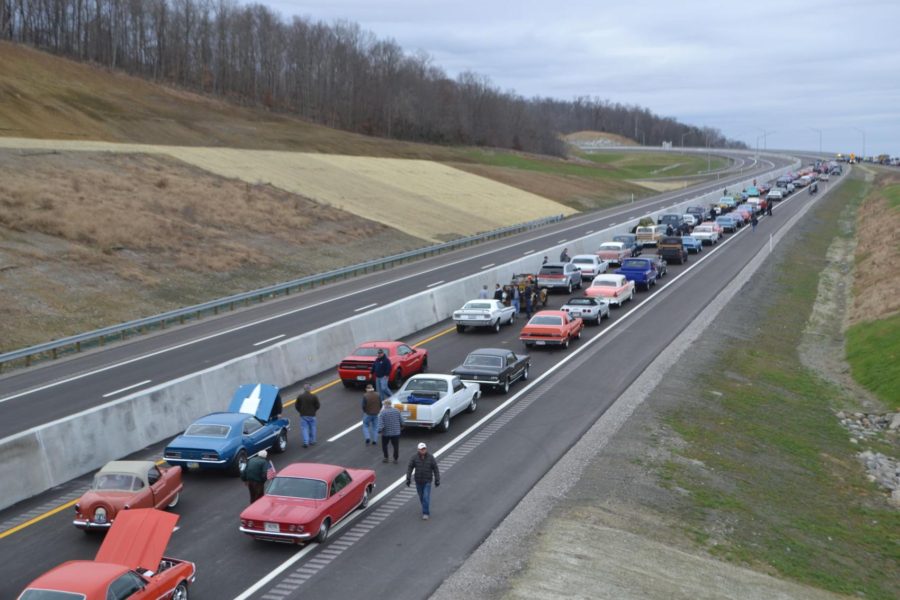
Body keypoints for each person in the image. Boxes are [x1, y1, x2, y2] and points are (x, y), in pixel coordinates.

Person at [406, 442, 440, 520]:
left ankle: (425, 513)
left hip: (427, 481)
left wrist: (437, 479)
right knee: (421, 497)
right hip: (418, 481)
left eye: (424, 449)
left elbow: (435, 468)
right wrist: (408, 479)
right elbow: (410, 468)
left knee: (425, 497)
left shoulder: (431, 458)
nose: (423, 450)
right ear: (418, 450)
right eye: (421, 449)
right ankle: (425, 506)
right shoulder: (414, 458)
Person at [378, 399, 403, 463]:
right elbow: (402, 421)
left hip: (386, 433)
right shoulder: (397, 411)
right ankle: (395, 459)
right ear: (390, 404)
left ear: (385, 405)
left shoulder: (382, 413)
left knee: (384, 445)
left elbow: (381, 424)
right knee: (395, 446)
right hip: (396, 432)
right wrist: (401, 426)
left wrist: (379, 430)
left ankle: (386, 457)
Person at [295, 382, 320, 447]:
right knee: (313, 428)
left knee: (304, 429)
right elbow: (318, 405)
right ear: (310, 388)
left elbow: (297, 406)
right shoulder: (314, 396)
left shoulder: (300, 396)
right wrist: (314, 411)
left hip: (303, 415)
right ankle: (313, 441)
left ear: (304, 389)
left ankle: (306, 442)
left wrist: (300, 411)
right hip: (312, 415)